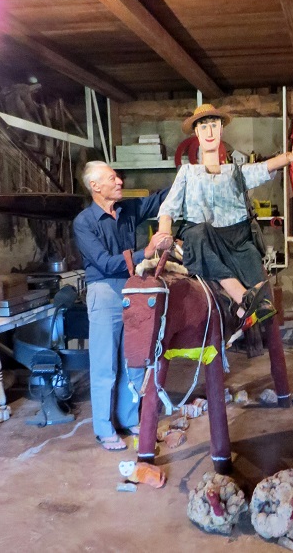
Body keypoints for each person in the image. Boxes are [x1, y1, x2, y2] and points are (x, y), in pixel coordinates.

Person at [156, 103, 293, 343]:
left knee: (264, 299)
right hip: (203, 238)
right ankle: (242, 299)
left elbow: (262, 169)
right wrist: (164, 232)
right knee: (197, 233)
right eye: (203, 126)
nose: (209, 131)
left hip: (236, 239)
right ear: (196, 133)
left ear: (221, 129)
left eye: (214, 125)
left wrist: (290, 157)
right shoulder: (187, 173)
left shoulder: (235, 171)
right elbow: (168, 208)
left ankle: (252, 311)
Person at [73, 161, 170, 450]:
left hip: (131, 289)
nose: (119, 182)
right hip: (103, 291)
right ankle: (103, 428)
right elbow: (102, 262)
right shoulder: (84, 222)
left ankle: (129, 418)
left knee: (134, 358)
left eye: (117, 177)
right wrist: (147, 251)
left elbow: (159, 199)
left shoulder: (127, 210)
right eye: (112, 178)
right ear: (96, 187)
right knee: (104, 365)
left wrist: (191, 173)